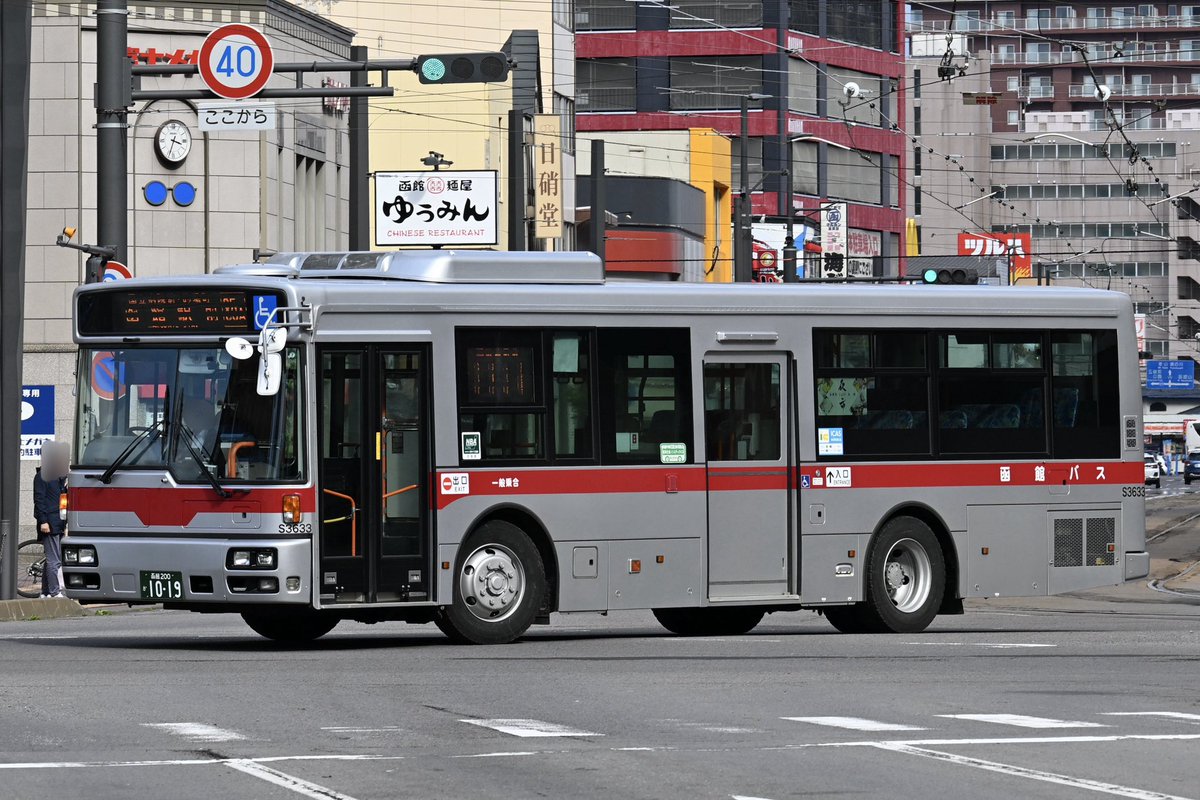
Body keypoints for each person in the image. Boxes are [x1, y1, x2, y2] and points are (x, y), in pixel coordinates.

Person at [33, 441, 69, 599]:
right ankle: (54, 593)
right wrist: (43, 521)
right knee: (54, 560)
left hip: (58, 522)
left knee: (51, 560)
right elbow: (39, 500)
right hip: (50, 523)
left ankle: (45, 592)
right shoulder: (41, 476)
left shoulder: (57, 477)